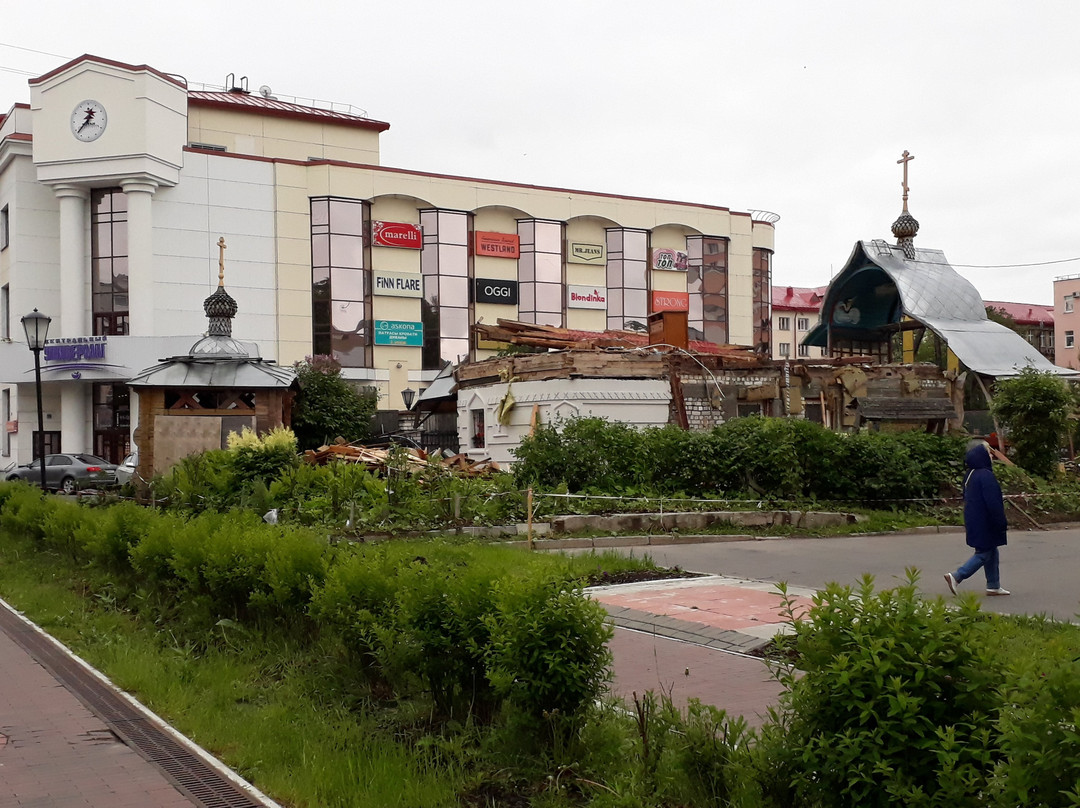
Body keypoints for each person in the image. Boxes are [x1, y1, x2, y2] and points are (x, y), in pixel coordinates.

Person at [944, 440, 1010, 596]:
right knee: (984, 552)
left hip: (975, 519)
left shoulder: (970, 474)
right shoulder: (986, 475)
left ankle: (993, 585)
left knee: (991, 550)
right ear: (981, 455)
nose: (991, 456)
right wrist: (1001, 521)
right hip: (986, 521)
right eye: (988, 452)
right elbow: (993, 502)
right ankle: (957, 576)